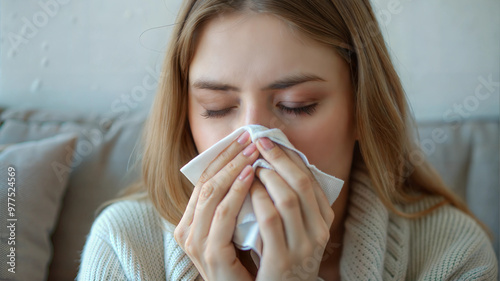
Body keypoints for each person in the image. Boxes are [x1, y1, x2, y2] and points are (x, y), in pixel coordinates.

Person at [77, 0, 498, 280]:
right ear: (185, 115)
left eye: (297, 105)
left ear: (360, 109)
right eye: (218, 107)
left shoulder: (452, 252)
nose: (254, 140)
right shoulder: (124, 247)